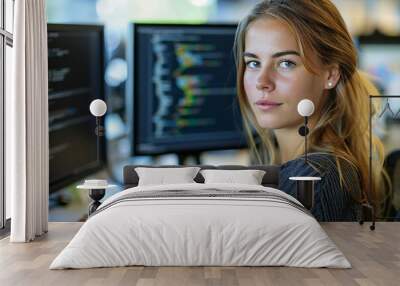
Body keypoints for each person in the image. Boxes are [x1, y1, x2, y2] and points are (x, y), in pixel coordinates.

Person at [233, 0, 387, 221]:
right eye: (253, 63)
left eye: (286, 63)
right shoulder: (272, 159)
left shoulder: (314, 177)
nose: (262, 82)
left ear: (331, 75)